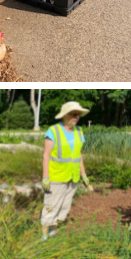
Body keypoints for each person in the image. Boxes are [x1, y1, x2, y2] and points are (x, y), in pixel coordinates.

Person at [40, 102, 93, 241]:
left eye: (78, 114)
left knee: (64, 206)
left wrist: (84, 176)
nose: (76, 116)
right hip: (56, 176)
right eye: (73, 113)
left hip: (73, 177)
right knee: (51, 205)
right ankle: (44, 236)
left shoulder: (79, 131)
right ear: (64, 115)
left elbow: (78, 154)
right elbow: (46, 155)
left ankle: (53, 231)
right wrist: (45, 177)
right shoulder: (53, 131)